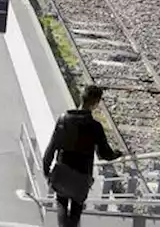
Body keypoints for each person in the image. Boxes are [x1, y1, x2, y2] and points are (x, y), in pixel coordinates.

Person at [42, 85, 123, 226]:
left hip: (62, 171)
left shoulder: (63, 119)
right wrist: (118, 153)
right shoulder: (95, 126)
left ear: (81, 98)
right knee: (76, 209)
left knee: (61, 200)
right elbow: (105, 154)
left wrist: (46, 170)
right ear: (96, 103)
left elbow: (52, 147)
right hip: (82, 176)